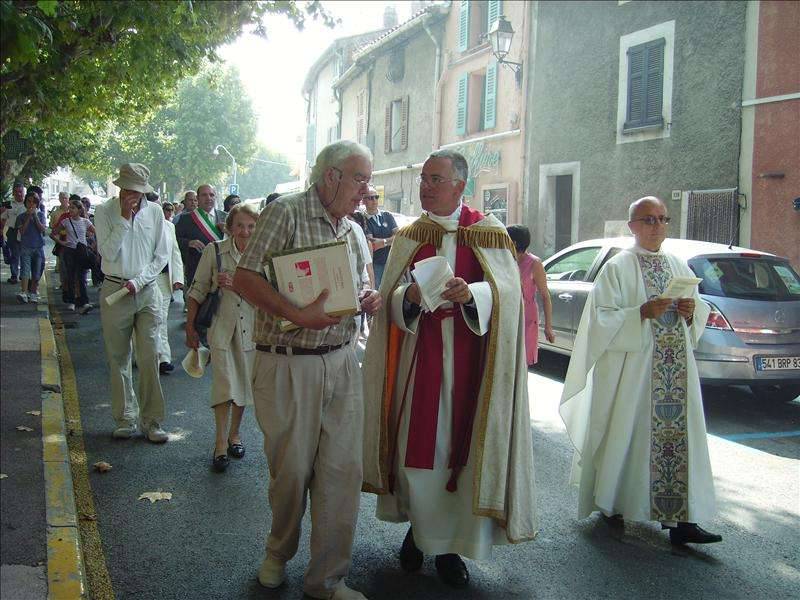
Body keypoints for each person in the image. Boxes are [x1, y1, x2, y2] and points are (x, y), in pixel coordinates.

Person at [361, 150, 537, 588]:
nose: (425, 186)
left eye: (435, 179)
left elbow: (510, 298)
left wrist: (474, 292)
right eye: (424, 179)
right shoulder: (411, 234)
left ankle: (450, 549)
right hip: (420, 365)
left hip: (472, 366)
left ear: (460, 185)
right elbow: (392, 297)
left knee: (462, 453)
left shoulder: (490, 233)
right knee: (418, 452)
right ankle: (419, 533)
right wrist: (412, 298)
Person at [233, 140, 382, 600]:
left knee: (342, 474)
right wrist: (299, 316)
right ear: (332, 175)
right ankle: (278, 552)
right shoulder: (286, 213)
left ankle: (327, 580)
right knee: (292, 472)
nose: (366, 189)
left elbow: (358, 286)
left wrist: (368, 300)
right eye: (359, 178)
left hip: (341, 361)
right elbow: (244, 278)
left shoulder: (353, 230)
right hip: (287, 364)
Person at [559, 196, 721, 546]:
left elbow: (698, 311)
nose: (657, 226)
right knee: (628, 436)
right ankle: (613, 503)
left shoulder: (678, 264)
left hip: (675, 371)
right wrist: (640, 313)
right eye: (649, 220)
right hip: (632, 372)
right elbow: (599, 319)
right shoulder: (618, 267)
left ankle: (682, 521)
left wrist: (693, 310)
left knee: (680, 442)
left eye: (663, 219)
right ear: (632, 225)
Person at [94, 163, 170, 443]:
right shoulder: (104, 211)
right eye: (128, 190)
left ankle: (152, 420)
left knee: (150, 356)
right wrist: (125, 219)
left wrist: (139, 281)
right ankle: (125, 417)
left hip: (146, 290)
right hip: (115, 289)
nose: (133, 196)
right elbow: (107, 252)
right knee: (118, 358)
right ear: (120, 187)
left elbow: (161, 255)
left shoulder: (155, 212)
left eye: (137, 191)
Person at [186, 204, 258, 472]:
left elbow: (266, 301)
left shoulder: (261, 255)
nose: (245, 231)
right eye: (240, 225)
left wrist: (236, 285)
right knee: (224, 386)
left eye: (251, 226)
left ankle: (235, 436)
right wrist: (190, 328)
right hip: (221, 329)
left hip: (251, 331)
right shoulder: (214, 250)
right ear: (229, 227)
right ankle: (219, 444)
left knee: (243, 387)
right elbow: (197, 290)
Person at [506, 224, 555, 365]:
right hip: (509, 313)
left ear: (514, 243)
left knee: (522, 360)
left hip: (527, 315)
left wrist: (548, 327)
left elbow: (545, 296)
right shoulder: (506, 260)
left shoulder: (534, 263)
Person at [175, 184, 226, 294]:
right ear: (197, 198)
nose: (209, 198)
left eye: (212, 195)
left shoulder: (225, 217)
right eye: (204, 195)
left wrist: (228, 231)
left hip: (220, 272)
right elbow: (174, 241)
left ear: (215, 197)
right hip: (196, 272)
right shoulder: (186, 219)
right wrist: (188, 243)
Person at [154, 201, 184, 374]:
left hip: (164, 279)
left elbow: (175, 252)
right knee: (150, 319)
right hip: (144, 280)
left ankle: (163, 357)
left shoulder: (169, 227)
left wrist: (178, 277)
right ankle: (144, 354)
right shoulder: (139, 226)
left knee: (161, 318)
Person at [51, 199, 95, 314]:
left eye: (73, 208)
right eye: (69, 207)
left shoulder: (85, 222)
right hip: (70, 251)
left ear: (79, 210)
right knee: (70, 276)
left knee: (81, 277)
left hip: (82, 251)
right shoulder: (65, 221)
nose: (70, 210)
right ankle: (71, 301)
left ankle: (84, 301)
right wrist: (61, 242)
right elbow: (53, 233)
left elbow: (96, 232)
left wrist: (94, 244)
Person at [362, 185, 398, 286]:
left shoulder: (387, 216)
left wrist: (384, 242)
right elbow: (373, 244)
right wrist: (391, 239)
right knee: (378, 293)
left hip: (391, 262)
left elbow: (399, 237)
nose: (374, 200)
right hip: (376, 265)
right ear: (363, 201)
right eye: (370, 198)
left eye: (376, 197)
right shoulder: (362, 220)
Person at [15, 191, 47, 303]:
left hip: (38, 247)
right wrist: (29, 216)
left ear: (37, 203)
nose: (31, 204)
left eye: (34, 202)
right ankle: (24, 292)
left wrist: (35, 216)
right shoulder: (21, 217)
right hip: (26, 246)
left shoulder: (41, 215)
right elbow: (22, 231)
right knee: (25, 270)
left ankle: (33, 292)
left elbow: (43, 230)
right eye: (29, 201)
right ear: (26, 202)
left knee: (37, 271)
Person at [2, 182, 27, 284]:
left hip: (25, 232)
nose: (18, 194)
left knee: (24, 254)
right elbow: (3, 218)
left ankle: (23, 275)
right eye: (16, 192)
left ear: (23, 192)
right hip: (12, 232)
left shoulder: (27, 204)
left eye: (20, 191)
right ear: (13, 193)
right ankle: (14, 275)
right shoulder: (9, 204)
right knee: (14, 254)